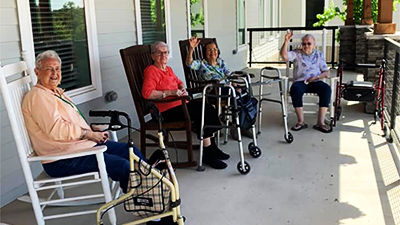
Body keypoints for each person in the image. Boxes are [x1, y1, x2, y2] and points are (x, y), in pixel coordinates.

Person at [22, 50, 144, 193]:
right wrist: (87, 134)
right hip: (62, 159)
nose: (54, 73)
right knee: (122, 165)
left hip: (79, 147)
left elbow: (68, 121)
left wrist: (91, 130)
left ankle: (152, 185)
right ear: (37, 72)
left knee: (130, 150)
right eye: (49, 69)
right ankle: (142, 199)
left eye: (57, 69)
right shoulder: (38, 97)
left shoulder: (53, 92)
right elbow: (57, 130)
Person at [142, 41, 229, 170]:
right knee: (201, 112)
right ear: (153, 56)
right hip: (166, 110)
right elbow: (147, 93)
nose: (163, 55)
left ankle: (212, 147)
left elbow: (179, 82)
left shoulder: (168, 69)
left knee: (209, 108)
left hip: (180, 104)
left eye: (165, 52)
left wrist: (182, 88)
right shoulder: (151, 71)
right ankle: (209, 153)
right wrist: (170, 92)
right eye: (159, 53)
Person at [185, 36, 253, 139]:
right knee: (236, 95)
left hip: (226, 88)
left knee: (245, 93)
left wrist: (235, 85)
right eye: (209, 50)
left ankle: (242, 125)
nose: (213, 52)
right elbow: (189, 63)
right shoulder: (201, 63)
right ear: (204, 53)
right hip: (212, 90)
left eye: (215, 49)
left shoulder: (221, 62)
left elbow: (228, 74)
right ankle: (236, 126)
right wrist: (191, 49)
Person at [280, 32, 332, 133]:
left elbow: (326, 72)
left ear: (314, 45)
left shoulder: (319, 55)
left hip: (316, 81)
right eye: (304, 44)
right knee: (295, 89)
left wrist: (317, 77)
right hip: (301, 81)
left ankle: (320, 123)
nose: (306, 46)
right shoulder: (297, 53)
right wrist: (286, 41)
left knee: (326, 89)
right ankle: (301, 122)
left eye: (309, 43)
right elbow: (284, 56)